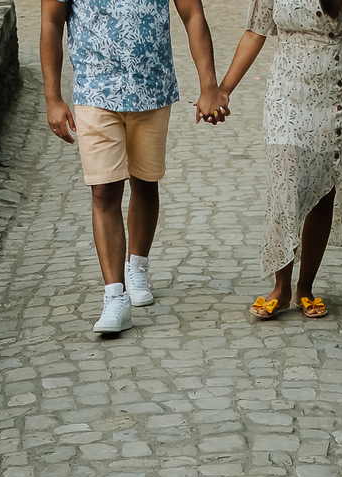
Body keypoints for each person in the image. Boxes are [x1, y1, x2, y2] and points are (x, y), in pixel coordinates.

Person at [41, 0, 230, 334]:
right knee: (103, 191)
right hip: (95, 90)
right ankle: (115, 297)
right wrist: (53, 98)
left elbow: (193, 14)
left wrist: (208, 85)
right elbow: (52, 23)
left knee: (145, 182)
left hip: (152, 88)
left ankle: (137, 266)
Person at [219, 0, 342, 320]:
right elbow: (255, 32)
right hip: (287, 97)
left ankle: (304, 288)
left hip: (338, 96)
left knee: (324, 190)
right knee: (286, 187)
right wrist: (224, 89)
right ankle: (281, 287)